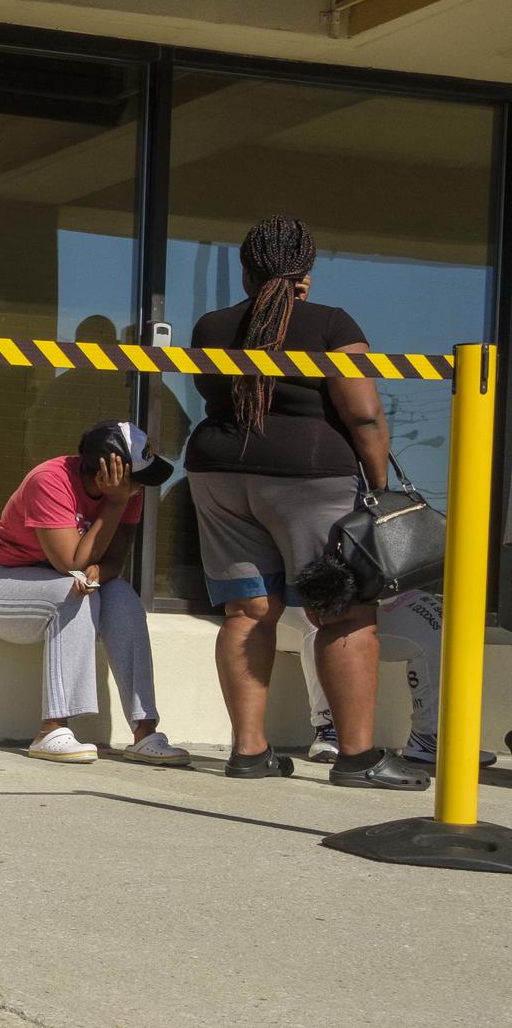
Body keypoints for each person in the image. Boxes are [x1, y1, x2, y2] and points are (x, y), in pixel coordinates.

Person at [184, 216, 420, 789]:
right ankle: (358, 759)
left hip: (217, 472)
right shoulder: (331, 324)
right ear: (305, 277)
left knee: (246, 611)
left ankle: (249, 751)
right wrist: (379, 487)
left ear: (246, 271)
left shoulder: (212, 325)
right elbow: (365, 413)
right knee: (342, 612)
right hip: (311, 477)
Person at [0, 422, 187, 764]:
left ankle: (144, 732)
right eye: (135, 477)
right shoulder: (50, 480)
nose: (142, 487)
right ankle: (52, 729)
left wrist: (98, 570)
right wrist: (114, 504)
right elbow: (70, 563)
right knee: (74, 592)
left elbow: (114, 563)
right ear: (110, 470)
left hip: (50, 583)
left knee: (121, 595)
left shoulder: (127, 494)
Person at [291, 592, 496, 767]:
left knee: (440, 616)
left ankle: (429, 737)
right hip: (303, 593)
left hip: (379, 585)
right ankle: (327, 728)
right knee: (326, 617)